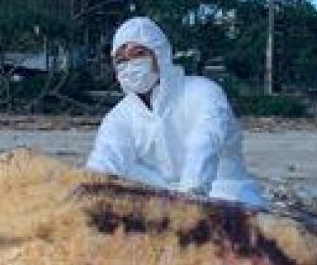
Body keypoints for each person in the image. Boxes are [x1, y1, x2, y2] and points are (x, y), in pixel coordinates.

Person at [85, 16, 267, 207]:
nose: (129, 65)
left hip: (223, 190)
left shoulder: (203, 92)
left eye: (138, 54)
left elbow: (205, 144)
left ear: (160, 54)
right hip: (162, 192)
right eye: (121, 60)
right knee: (115, 175)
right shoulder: (120, 115)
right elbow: (105, 159)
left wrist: (188, 199)